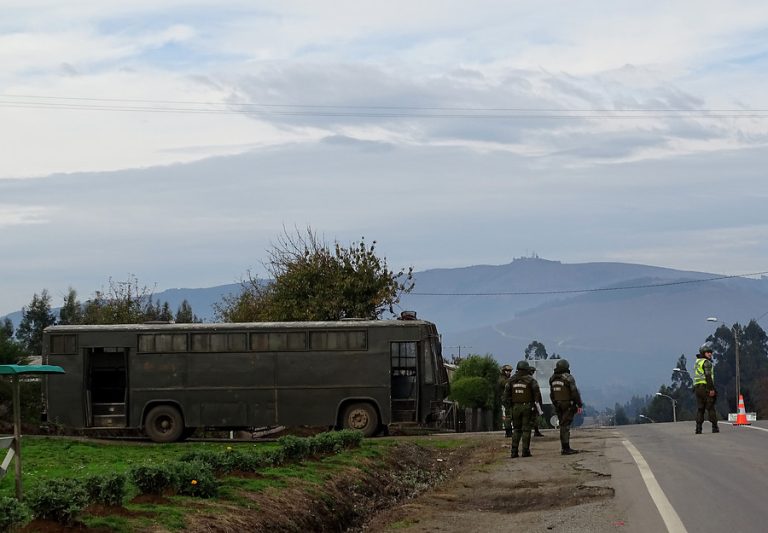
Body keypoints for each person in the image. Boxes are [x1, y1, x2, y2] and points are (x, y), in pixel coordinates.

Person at [503, 360, 542, 458]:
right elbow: (537, 395)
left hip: (515, 407)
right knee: (526, 429)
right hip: (527, 407)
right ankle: (525, 451)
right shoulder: (531, 380)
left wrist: (509, 407)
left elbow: (505, 397)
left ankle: (514, 451)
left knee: (516, 430)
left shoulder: (511, 380)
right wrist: (537, 408)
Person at [549, 359, 583, 455]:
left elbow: (551, 394)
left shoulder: (552, 379)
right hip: (567, 404)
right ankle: (566, 448)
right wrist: (579, 404)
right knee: (565, 426)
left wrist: (555, 403)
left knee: (562, 425)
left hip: (558, 405)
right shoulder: (568, 378)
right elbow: (574, 392)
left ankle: (564, 447)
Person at [694, 344, 719, 434]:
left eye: (710, 352)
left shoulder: (697, 362)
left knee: (700, 408)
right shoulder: (706, 363)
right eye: (708, 352)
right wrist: (711, 389)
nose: (710, 354)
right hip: (705, 387)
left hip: (697, 388)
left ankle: (698, 428)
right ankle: (715, 427)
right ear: (703, 353)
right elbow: (708, 376)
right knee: (710, 407)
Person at [527, 365, 545, 437]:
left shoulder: (527, 380)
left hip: (530, 402)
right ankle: (535, 431)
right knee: (533, 417)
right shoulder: (531, 380)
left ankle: (536, 431)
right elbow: (535, 392)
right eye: (532, 371)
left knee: (533, 417)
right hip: (531, 402)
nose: (533, 373)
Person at [498, 364, 514, 437]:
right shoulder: (501, 378)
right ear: (503, 371)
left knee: (510, 415)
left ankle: (509, 431)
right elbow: (504, 383)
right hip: (506, 399)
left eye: (510, 371)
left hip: (509, 399)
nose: (508, 372)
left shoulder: (507, 378)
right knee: (508, 416)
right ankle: (508, 432)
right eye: (507, 371)